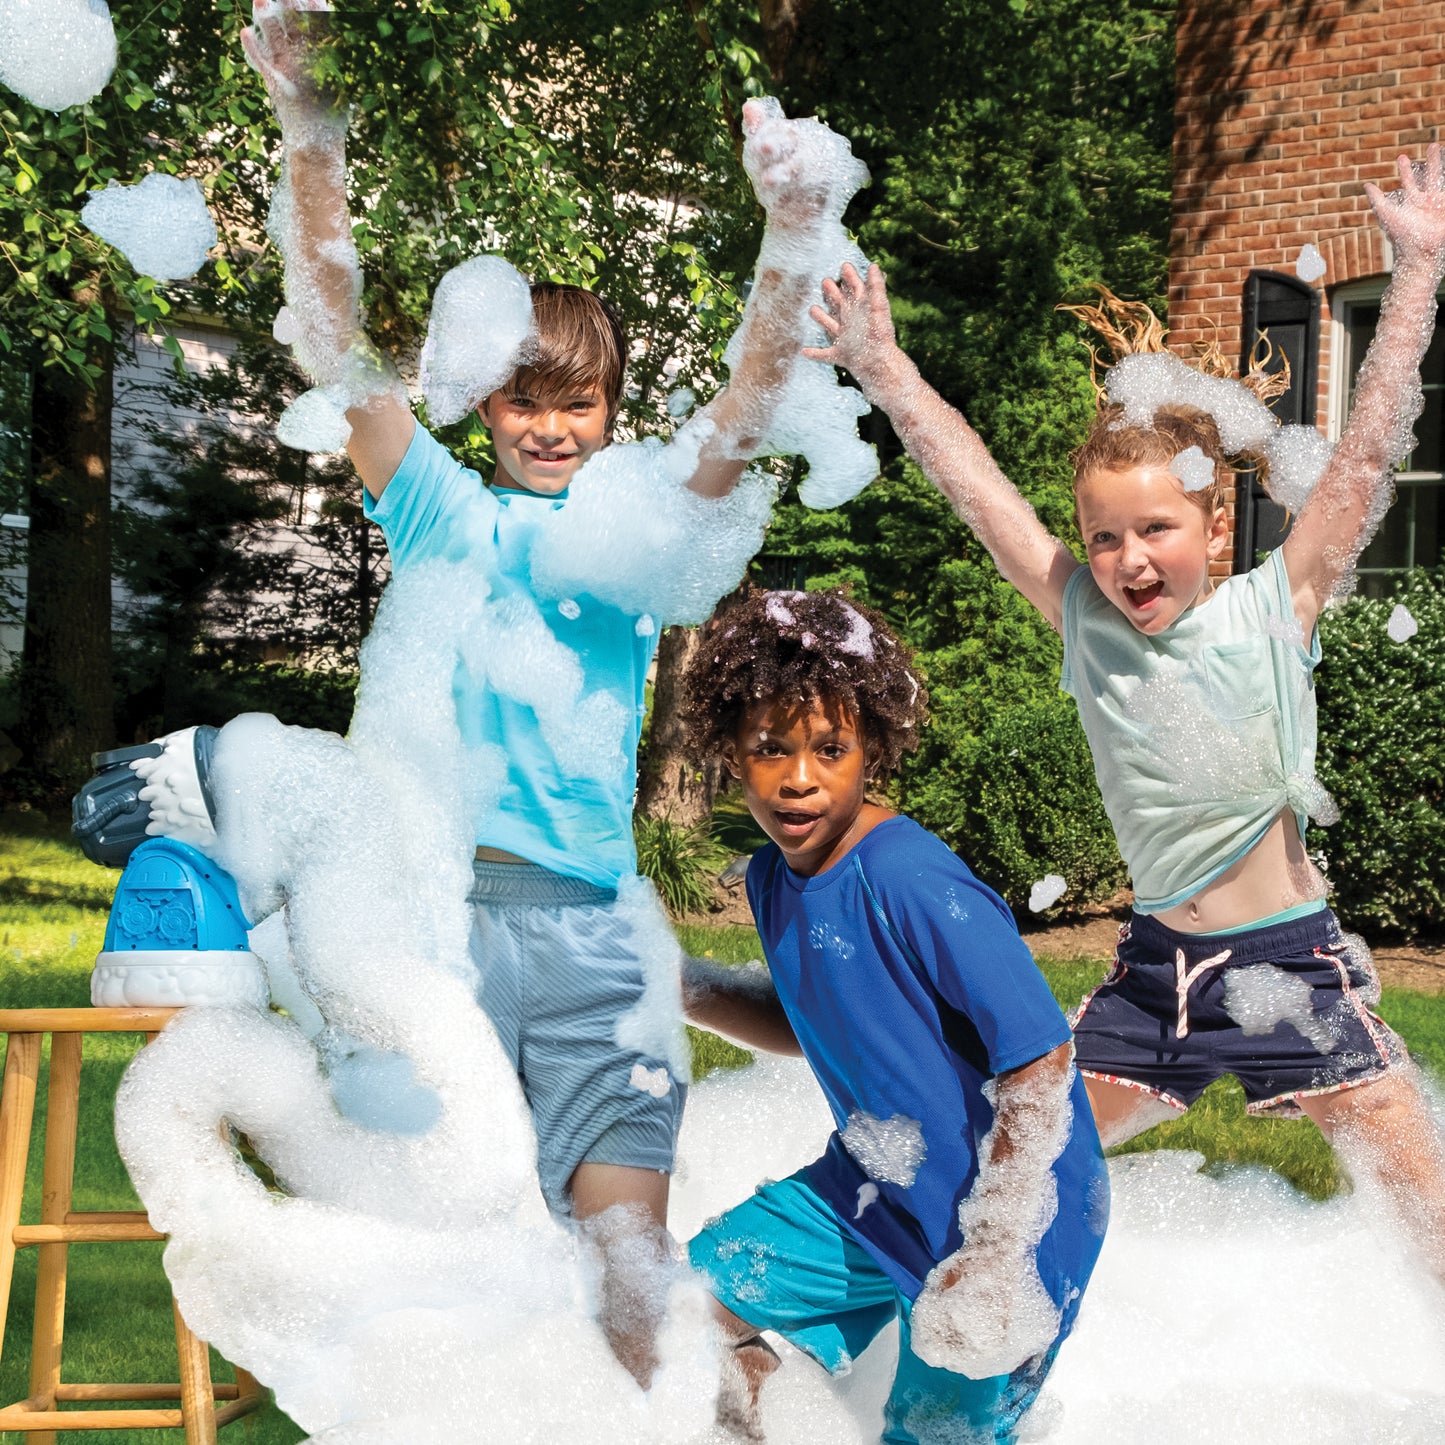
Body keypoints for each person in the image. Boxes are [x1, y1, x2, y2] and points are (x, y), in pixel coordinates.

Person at [240, 0, 855, 1385]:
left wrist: (789, 239)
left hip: (590, 946)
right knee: (443, 1278)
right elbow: (335, 344)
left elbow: (743, 421)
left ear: (609, 413)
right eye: (524, 396)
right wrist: (309, 131)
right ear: (484, 399)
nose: (548, 423)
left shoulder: (625, 545)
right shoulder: (446, 518)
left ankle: (725, 1421)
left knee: (629, 1277)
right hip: (434, 937)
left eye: (578, 403)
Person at [804, 148, 1445, 1279]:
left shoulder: (1273, 602)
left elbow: (1361, 454)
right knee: (1013, 1187)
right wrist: (885, 367)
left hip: (1288, 962)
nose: (1125, 558)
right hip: (1155, 975)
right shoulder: (1085, 622)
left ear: (1210, 524)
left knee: (1420, 1201)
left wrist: (1415, 275)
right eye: (1102, 536)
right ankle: (935, 1348)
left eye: (1153, 530)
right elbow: (980, 491)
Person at [679, 589, 1108, 1444]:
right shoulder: (772, 877)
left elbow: (1041, 1059)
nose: (798, 777)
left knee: (930, 1434)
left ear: (870, 748)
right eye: (770, 748)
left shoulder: (910, 878)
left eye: (828, 748)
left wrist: (993, 1252)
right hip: (873, 1190)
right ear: (732, 752)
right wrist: (676, 985)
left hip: (1011, 1217)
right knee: (675, 1305)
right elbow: (811, 1016)